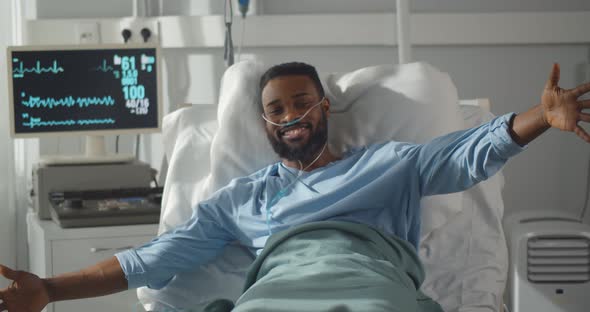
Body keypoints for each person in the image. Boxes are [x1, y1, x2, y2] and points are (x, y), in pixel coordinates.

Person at [1, 61, 589, 312]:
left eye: (301, 102)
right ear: (265, 124)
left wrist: (540, 118)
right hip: (276, 295)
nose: (291, 115)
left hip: (371, 288)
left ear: (323, 107)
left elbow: (468, 153)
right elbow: (151, 259)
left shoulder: (387, 163)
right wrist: (49, 289)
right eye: (276, 108)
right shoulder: (242, 201)